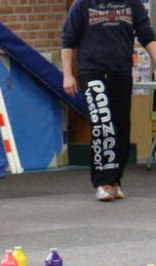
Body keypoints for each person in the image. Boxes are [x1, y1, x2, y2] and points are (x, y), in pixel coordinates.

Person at [62, 0, 156, 202]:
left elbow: (147, 35)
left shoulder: (132, 4)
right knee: (102, 124)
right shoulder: (83, 4)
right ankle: (102, 182)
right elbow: (68, 40)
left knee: (121, 127)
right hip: (93, 72)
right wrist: (68, 75)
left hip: (121, 72)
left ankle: (115, 180)